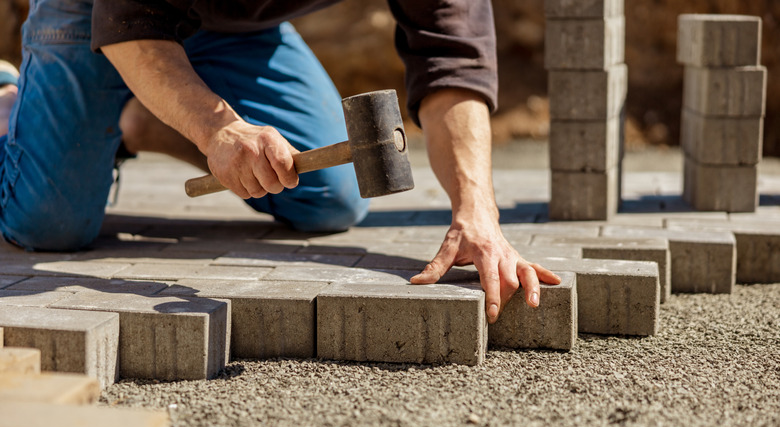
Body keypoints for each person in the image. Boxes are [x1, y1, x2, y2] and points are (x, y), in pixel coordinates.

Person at [0, 0, 560, 324]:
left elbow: (449, 57)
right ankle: (9, 100)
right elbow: (131, 20)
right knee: (49, 225)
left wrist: (478, 214)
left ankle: (142, 118)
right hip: (101, 13)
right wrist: (218, 128)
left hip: (239, 25)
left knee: (329, 197)